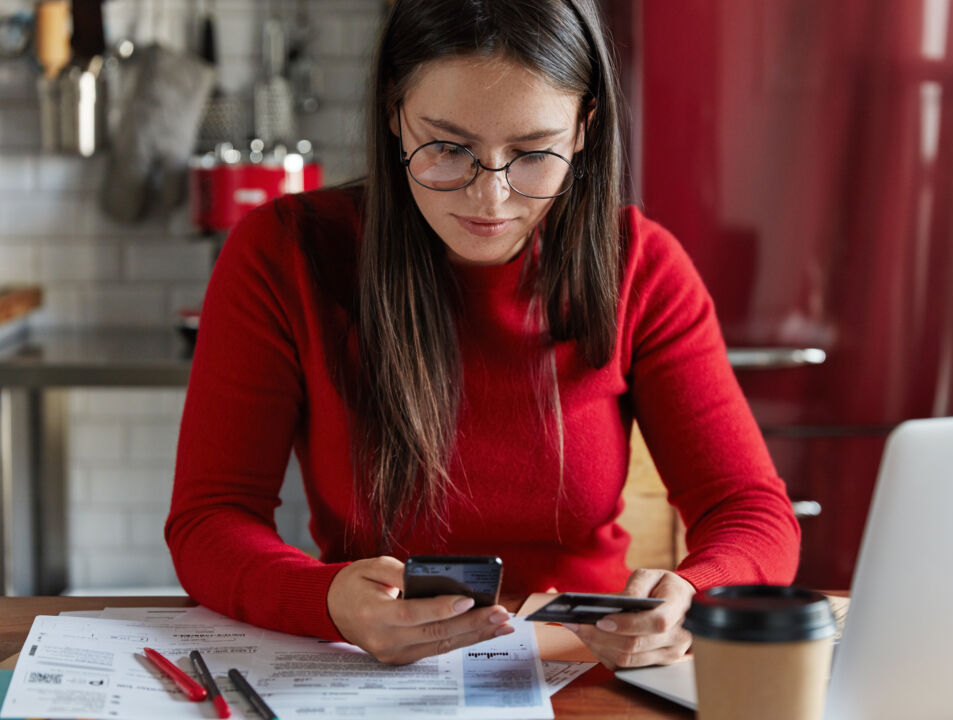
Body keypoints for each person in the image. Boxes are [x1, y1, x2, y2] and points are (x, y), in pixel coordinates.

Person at [166, 0, 800, 670]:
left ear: (584, 129)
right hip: (373, 673)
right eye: (447, 149)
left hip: (582, 672)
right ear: (393, 114)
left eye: (532, 154)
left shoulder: (640, 265)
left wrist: (695, 597)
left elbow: (750, 510)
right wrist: (326, 600)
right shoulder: (282, 252)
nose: (489, 199)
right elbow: (210, 520)